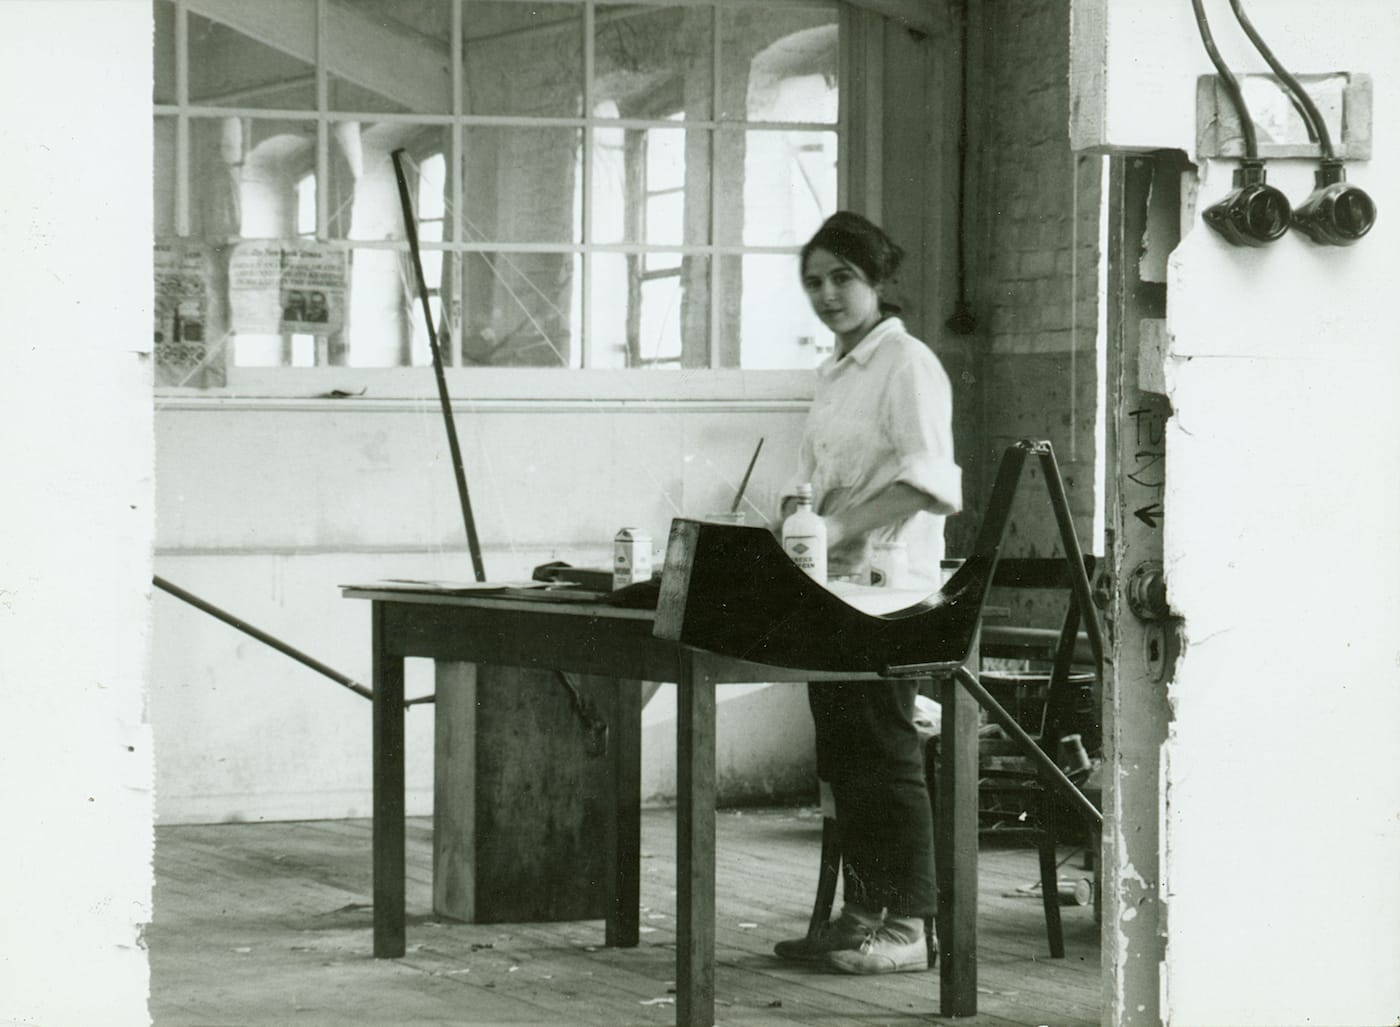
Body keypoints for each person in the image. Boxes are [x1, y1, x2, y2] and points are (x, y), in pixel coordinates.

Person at [772, 211, 962, 975]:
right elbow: (812, 479)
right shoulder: (834, 371)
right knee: (843, 753)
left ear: (878, 280)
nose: (827, 294)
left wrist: (842, 527)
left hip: (894, 591)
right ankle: (863, 912)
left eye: (842, 278)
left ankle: (911, 925)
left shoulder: (906, 362)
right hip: (836, 589)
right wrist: (799, 513)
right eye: (814, 282)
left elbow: (929, 483)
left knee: (883, 753)